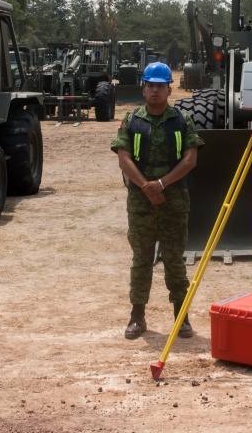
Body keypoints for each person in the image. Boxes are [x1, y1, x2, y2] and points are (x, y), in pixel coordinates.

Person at [110, 62, 204, 341]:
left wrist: (161, 184)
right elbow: (123, 158)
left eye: (160, 85)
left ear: (169, 89)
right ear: (143, 88)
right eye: (150, 85)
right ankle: (137, 317)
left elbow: (191, 159)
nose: (154, 89)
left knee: (174, 260)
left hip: (174, 202)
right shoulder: (130, 121)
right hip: (140, 204)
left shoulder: (182, 120)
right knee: (141, 259)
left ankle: (182, 317)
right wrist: (147, 187)